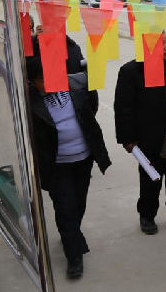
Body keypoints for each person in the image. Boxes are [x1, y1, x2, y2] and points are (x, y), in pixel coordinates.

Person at [26, 55, 111, 279]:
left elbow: (90, 107)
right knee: (65, 206)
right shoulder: (28, 100)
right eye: (41, 79)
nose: (47, 83)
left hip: (83, 159)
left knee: (78, 204)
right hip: (56, 164)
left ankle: (70, 234)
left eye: (49, 77)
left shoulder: (76, 83)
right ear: (32, 82)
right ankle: (74, 255)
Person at [114, 31, 166, 235]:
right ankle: (147, 215)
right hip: (147, 137)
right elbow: (123, 108)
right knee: (151, 178)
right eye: (162, 44)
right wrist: (127, 139)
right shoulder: (131, 71)